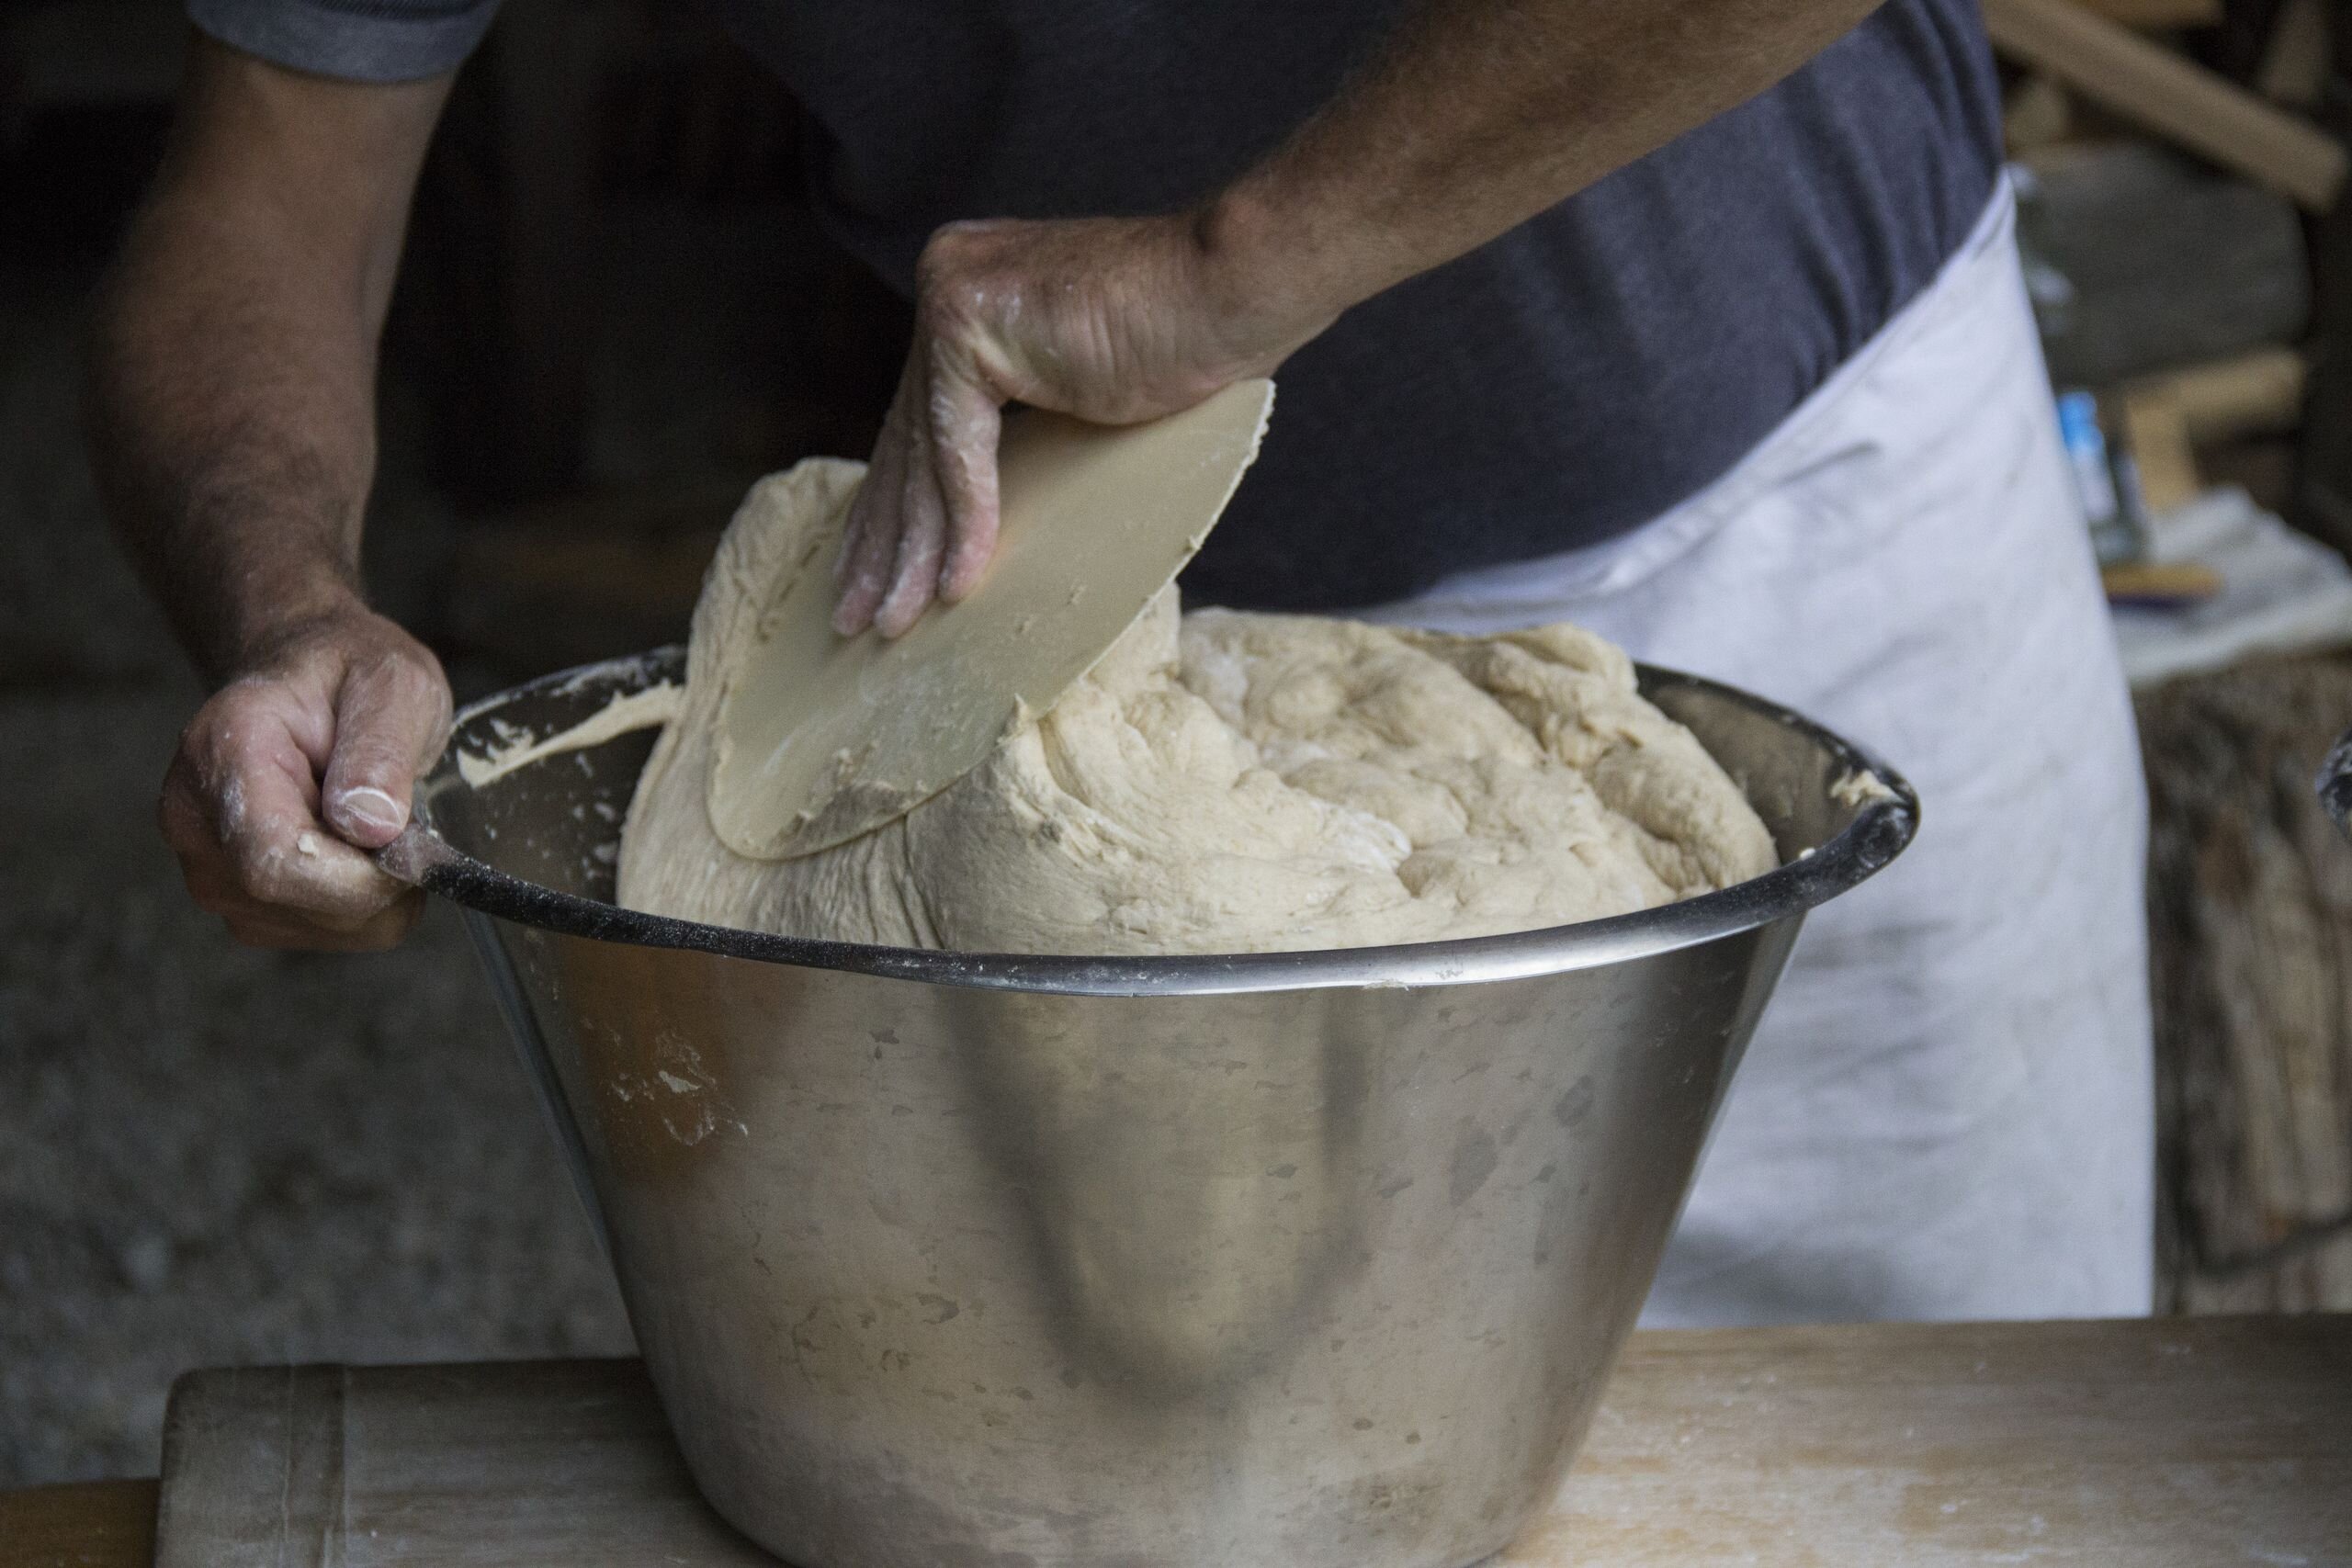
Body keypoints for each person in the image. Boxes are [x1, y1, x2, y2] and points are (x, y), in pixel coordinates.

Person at [87, 0, 2153, 1325]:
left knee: (1948, 1442)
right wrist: (289, 604)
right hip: (1029, 726)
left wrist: (1240, 263)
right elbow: (268, 191)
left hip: (1811, 535)